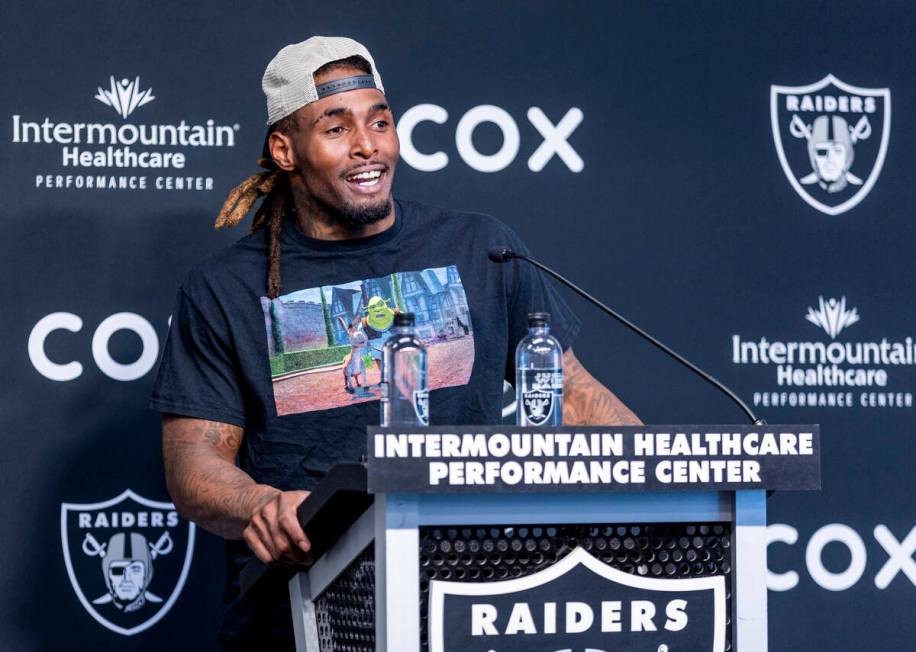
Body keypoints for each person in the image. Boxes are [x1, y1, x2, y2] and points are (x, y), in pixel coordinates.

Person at [151, 36, 640, 650]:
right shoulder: (223, 289)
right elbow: (195, 465)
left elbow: (572, 398)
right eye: (336, 128)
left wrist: (670, 474)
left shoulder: (483, 248)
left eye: (380, 121)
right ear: (284, 150)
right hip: (303, 612)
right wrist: (263, 506)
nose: (367, 146)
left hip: (471, 602)